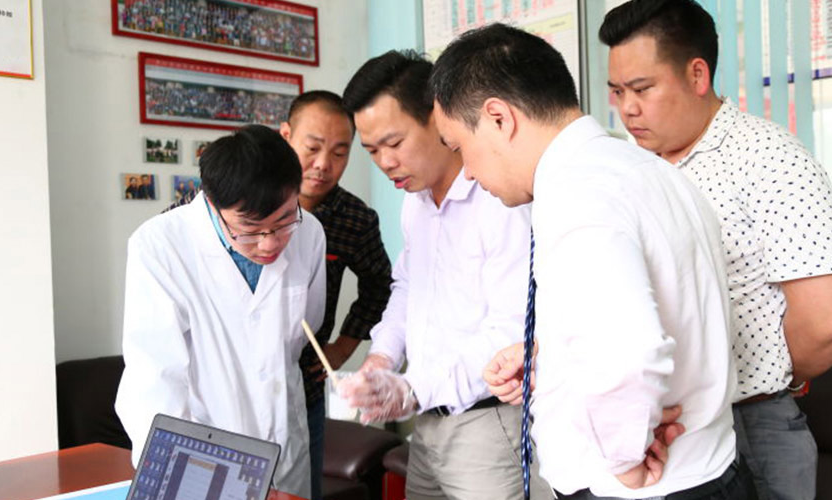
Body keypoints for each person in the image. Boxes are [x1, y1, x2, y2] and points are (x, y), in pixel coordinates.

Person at [432, 23, 753, 500]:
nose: (469, 174)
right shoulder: (649, 171)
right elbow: (673, 314)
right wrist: (551, 356)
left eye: (460, 148)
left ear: (499, 118)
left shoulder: (578, 195)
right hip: (711, 471)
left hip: (641, 490)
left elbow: (628, 351)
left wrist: (624, 458)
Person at [596, 2, 832, 498]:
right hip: (658, 432)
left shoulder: (768, 159)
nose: (627, 108)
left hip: (749, 425)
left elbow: (827, 320)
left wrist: (766, 380)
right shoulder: (637, 170)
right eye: (618, 91)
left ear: (697, 75)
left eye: (642, 89)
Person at [337, 50, 549, 500]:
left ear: (438, 117)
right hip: (427, 420)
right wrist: (381, 360)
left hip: (487, 424)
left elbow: (512, 331)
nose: (385, 162)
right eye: (371, 150)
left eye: (394, 143)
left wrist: (411, 388)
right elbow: (407, 288)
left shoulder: (501, 199)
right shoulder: (415, 201)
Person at [115, 124, 326, 498]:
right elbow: (155, 378)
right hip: (204, 455)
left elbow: (305, 328)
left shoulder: (309, 232)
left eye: (283, 222)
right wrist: (181, 469)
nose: (270, 244)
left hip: (286, 444)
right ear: (213, 204)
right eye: (250, 229)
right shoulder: (160, 246)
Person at [279, 90, 393, 500]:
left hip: (305, 386)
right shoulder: (247, 196)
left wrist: (343, 348)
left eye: (340, 153)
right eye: (311, 148)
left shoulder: (354, 219)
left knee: (301, 492)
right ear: (286, 136)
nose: (323, 164)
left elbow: (381, 285)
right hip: (236, 383)